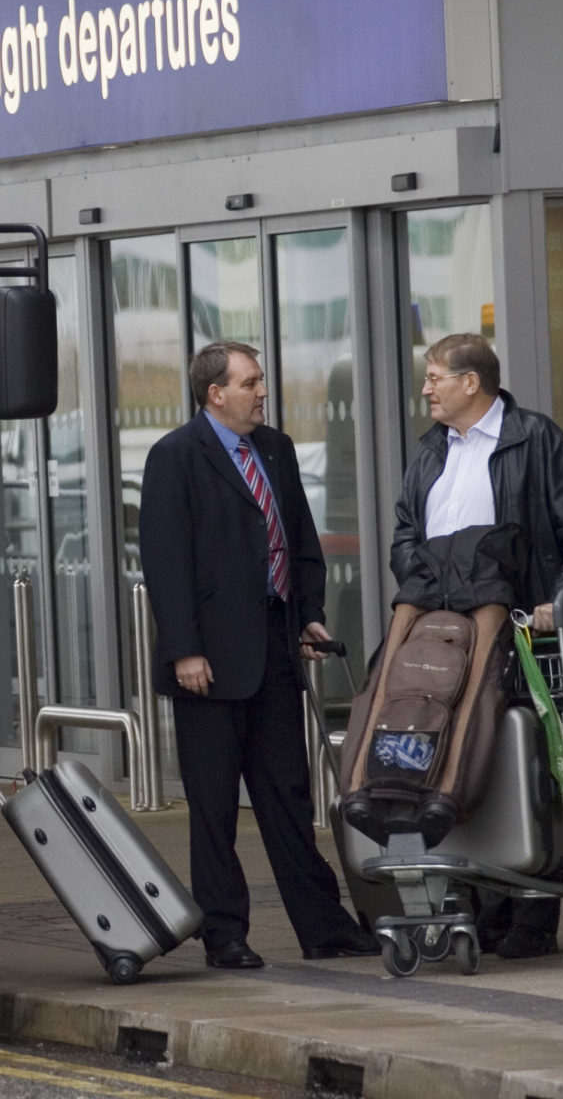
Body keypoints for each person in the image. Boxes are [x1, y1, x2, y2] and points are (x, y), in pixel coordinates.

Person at [139, 341, 378, 968]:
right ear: (216, 393)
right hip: (209, 664)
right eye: (250, 382)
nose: (261, 392)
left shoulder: (276, 448)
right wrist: (184, 650)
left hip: (274, 647)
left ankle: (324, 927)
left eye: (262, 381)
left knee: (287, 796)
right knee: (214, 805)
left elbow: (299, 539)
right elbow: (166, 563)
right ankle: (224, 934)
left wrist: (310, 617)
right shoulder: (176, 457)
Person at [391, 332, 563, 959]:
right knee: (463, 761)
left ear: (472, 383)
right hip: (447, 638)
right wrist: (424, 587)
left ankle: (534, 918)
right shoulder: (431, 448)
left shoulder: (534, 438)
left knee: (530, 769)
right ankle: (481, 904)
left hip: (520, 633)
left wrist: (560, 602)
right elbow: (405, 533)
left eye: (436, 376)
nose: (427, 387)